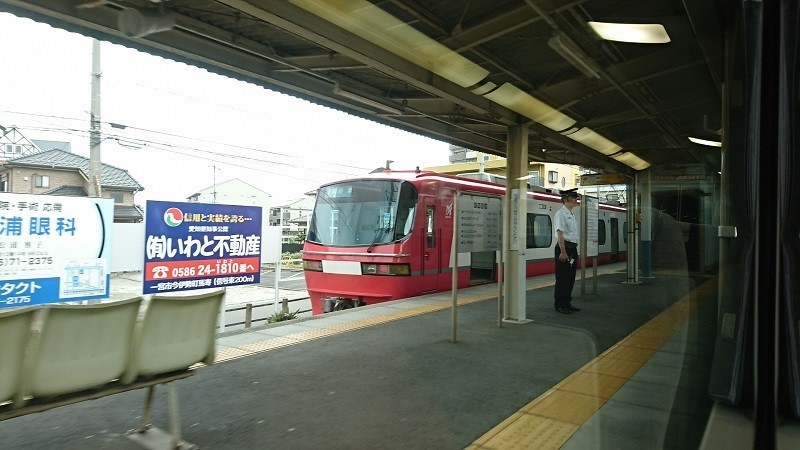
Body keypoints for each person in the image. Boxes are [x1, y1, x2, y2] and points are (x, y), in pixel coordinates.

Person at [553, 188, 581, 314]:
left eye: (576, 197)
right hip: (564, 248)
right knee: (562, 278)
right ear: (565, 200)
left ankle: (567, 302)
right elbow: (560, 234)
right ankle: (560, 304)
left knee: (570, 278)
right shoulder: (561, 214)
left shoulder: (571, 214)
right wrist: (563, 252)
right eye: (573, 197)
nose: (576, 199)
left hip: (572, 248)